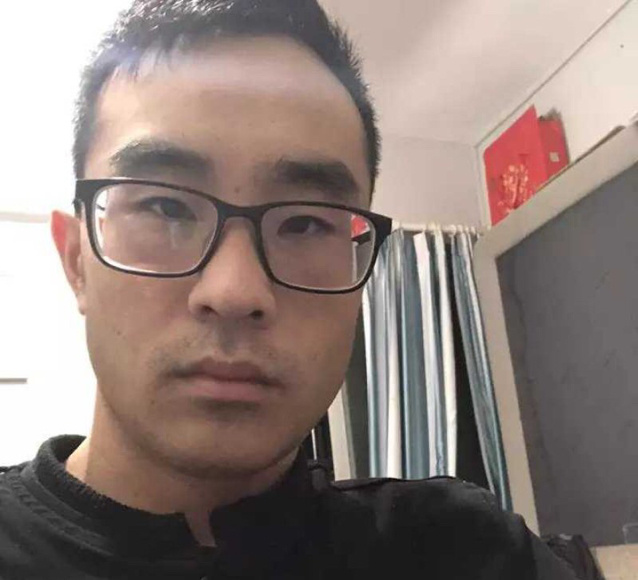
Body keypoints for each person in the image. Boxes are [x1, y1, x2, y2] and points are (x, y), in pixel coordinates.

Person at [0, 1, 577, 578]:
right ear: (76, 260)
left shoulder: (469, 551)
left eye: (304, 224)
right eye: (165, 208)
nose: (235, 291)